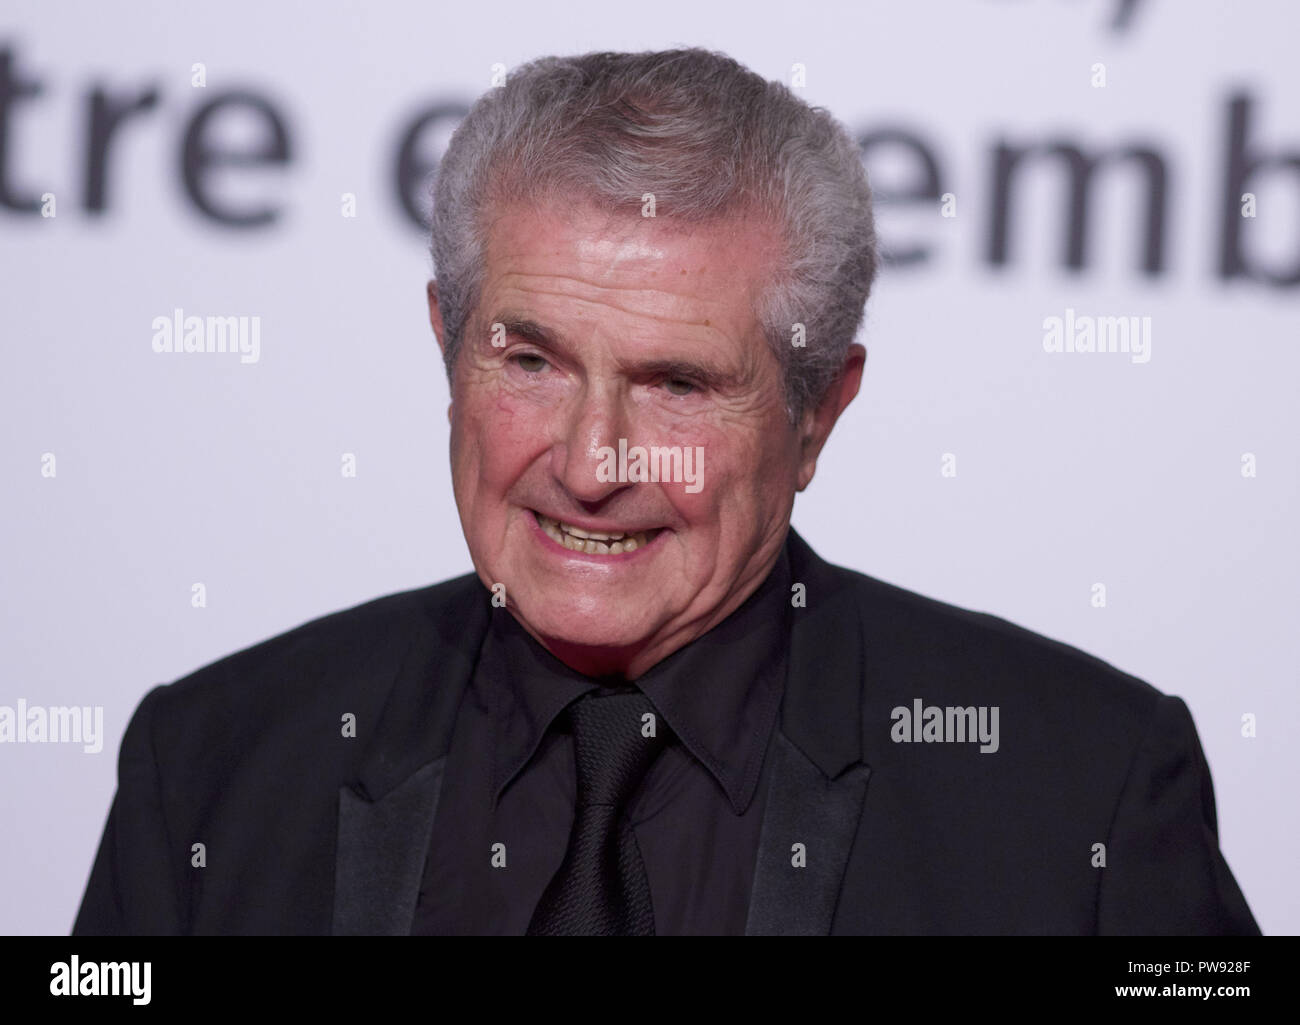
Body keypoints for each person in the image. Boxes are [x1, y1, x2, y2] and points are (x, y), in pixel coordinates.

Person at [73, 47, 1259, 936]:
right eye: (529, 359)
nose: (592, 465)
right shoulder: (215, 765)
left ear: (817, 412)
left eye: (678, 384)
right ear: (446, 345)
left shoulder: (1081, 796)